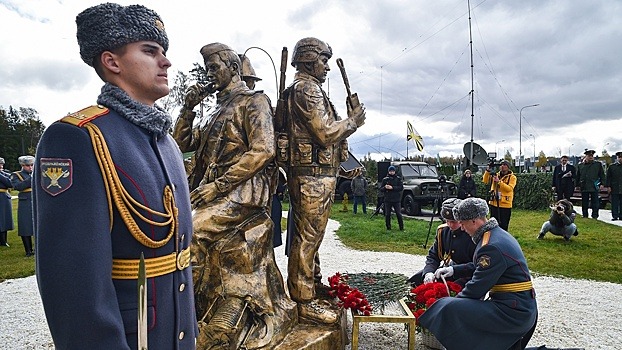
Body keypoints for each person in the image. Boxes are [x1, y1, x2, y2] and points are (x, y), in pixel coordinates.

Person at [33, 4, 197, 348]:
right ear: (112, 62)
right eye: (150, 51)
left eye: (164, 52)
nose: (165, 61)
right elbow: (74, 283)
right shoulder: (79, 137)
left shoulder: (164, 140)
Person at [173, 42, 295, 348]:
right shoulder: (213, 110)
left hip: (242, 194)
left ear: (234, 68)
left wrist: (220, 184)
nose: (209, 74)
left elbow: (264, 149)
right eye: (207, 68)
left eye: (214, 67)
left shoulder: (254, 102)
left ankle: (209, 319)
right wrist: (187, 108)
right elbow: (180, 144)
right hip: (211, 193)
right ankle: (198, 313)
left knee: (193, 232)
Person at [284, 37, 366, 324]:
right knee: (307, 238)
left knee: (312, 236)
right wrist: (353, 121)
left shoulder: (310, 88)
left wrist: (340, 168)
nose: (327, 67)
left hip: (317, 175)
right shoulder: (307, 89)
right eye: (323, 60)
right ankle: (303, 300)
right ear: (308, 60)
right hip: (311, 179)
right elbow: (325, 133)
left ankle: (311, 284)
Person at [419, 197, 537, 350]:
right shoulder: (494, 234)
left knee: (449, 307)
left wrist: (454, 302)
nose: (461, 228)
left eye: (462, 223)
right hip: (516, 304)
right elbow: (479, 266)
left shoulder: (490, 245)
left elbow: (476, 288)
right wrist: (454, 270)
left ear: (474, 221)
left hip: (512, 311)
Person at [407, 198, 475, 286]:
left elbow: (478, 264)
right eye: (447, 221)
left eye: (453, 221)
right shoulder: (443, 231)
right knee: (414, 281)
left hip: (469, 274)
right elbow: (434, 256)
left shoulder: (472, 233)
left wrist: (453, 270)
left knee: (449, 294)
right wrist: (429, 272)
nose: (450, 225)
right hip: (450, 270)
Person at [10, 156, 34, 256]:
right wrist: (31, 179)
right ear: (22, 165)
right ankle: (28, 250)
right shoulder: (16, 175)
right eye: (28, 165)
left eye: (32, 165)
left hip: (35, 200)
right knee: (25, 225)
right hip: (25, 201)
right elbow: (18, 186)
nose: (30, 167)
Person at [483, 159, 516, 230]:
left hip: (505, 204)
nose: (502, 166)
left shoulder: (512, 177)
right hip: (494, 203)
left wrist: (499, 182)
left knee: (504, 225)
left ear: (508, 167)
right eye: (501, 165)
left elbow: (509, 189)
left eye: (504, 165)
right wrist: (487, 171)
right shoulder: (495, 175)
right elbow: (485, 181)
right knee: (493, 225)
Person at [575, 149, 605, 219]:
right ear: (586, 156)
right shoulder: (581, 165)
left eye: (592, 156)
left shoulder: (598, 164)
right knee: (584, 202)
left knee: (595, 202)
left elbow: (602, 175)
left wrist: (602, 184)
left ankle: (595, 215)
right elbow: (578, 176)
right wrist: (577, 185)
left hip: (594, 185)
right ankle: (585, 215)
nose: (591, 157)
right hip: (584, 186)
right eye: (589, 156)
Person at [381, 165, 404, 231]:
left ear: (394, 171)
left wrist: (393, 188)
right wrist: (385, 187)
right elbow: (381, 189)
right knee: (387, 214)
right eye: (390, 171)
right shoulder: (385, 179)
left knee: (399, 214)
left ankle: (401, 227)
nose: (391, 172)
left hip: (396, 200)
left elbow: (401, 188)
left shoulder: (398, 179)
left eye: (393, 171)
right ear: (388, 172)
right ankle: (388, 227)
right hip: (388, 199)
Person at [0, 157, 13, 247]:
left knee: (4, 219)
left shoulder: (5, 174)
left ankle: (3, 240)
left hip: (3, 197)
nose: (1, 166)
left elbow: (10, 183)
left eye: (2, 164)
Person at [606, 151, 622, 221]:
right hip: (614, 187)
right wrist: (608, 186)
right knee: (614, 202)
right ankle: (615, 215)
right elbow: (608, 177)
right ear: (617, 158)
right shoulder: (612, 167)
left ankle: (621, 215)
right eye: (620, 157)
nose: (621, 159)